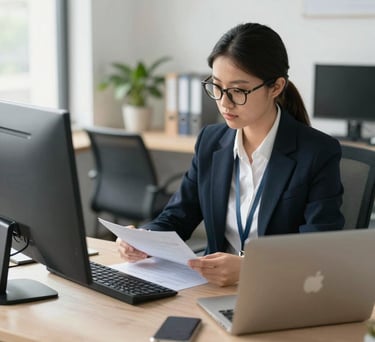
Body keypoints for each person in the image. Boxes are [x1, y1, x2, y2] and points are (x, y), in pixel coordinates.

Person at [116, 22, 345, 286]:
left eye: (238, 90)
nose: (224, 102)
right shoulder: (210, 142)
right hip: (213, 288)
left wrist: (252, 269)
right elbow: (178, 215)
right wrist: (143, 239)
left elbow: (317, 250)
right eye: (216, 86)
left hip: (280, 289)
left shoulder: (317, 153)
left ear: (276, 87)